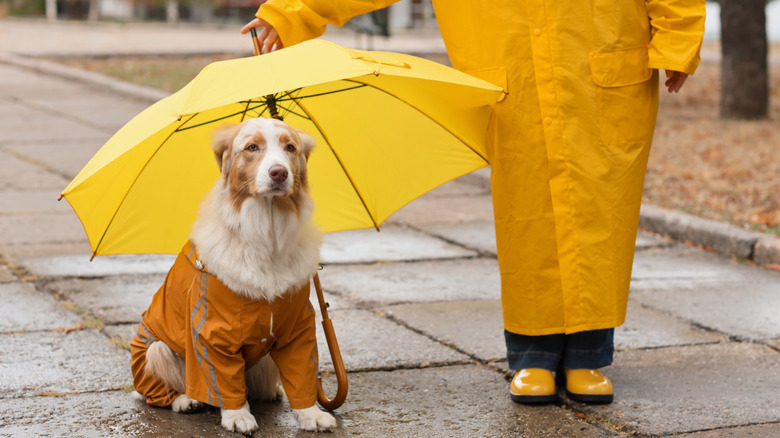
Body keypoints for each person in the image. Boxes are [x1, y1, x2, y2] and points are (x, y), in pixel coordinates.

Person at [242, 0, 706, 404]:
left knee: (600, 214)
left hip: (598, 69)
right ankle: (534, 354)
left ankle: (589, 354)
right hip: (513, 78)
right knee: (525, 216)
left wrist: (678, 37)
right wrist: (291, 12)